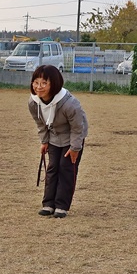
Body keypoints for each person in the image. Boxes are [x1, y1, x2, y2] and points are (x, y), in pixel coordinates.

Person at [28, 64, 88, 218]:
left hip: (72, 137)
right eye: (36, 82)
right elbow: (40, 123)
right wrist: (44, 141)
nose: (39, 87)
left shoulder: (70, 104)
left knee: (66, 168)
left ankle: (61, 206)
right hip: (54, 136)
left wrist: (75, 148)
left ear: (53, 84)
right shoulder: (33, 103)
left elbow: (78, 128)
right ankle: (48, 204)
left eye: (44, 83)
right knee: (53, 167)